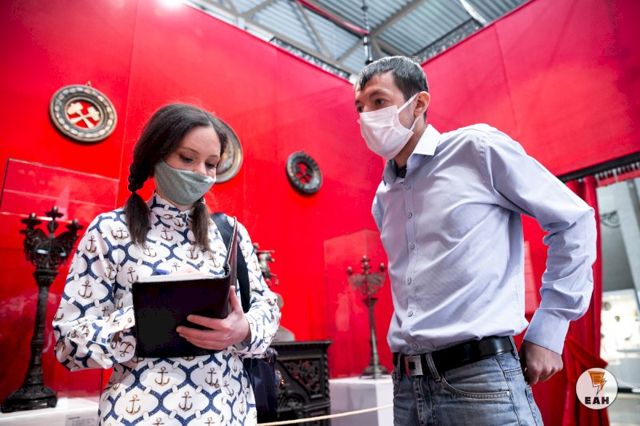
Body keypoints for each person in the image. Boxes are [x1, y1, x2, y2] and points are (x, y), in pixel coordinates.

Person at [354, 56, 596, 425]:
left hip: (480, 380)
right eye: (360, 107)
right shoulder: (383, 199)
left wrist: (550, 327)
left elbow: (573, 220)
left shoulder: (476, 149)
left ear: (418, 103)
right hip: (406, 387)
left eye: (378, 101)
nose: (367, 116)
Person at [52, 103, 280, 425]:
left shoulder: (230, 232)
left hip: (229, 412)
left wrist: (243, 330)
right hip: (140, 413)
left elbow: (266, 307)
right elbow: (68, 342)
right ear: (156, 155)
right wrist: (144, 320)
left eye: (211, 164)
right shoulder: (110, 231)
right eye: (187, 158)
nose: (201, 172)